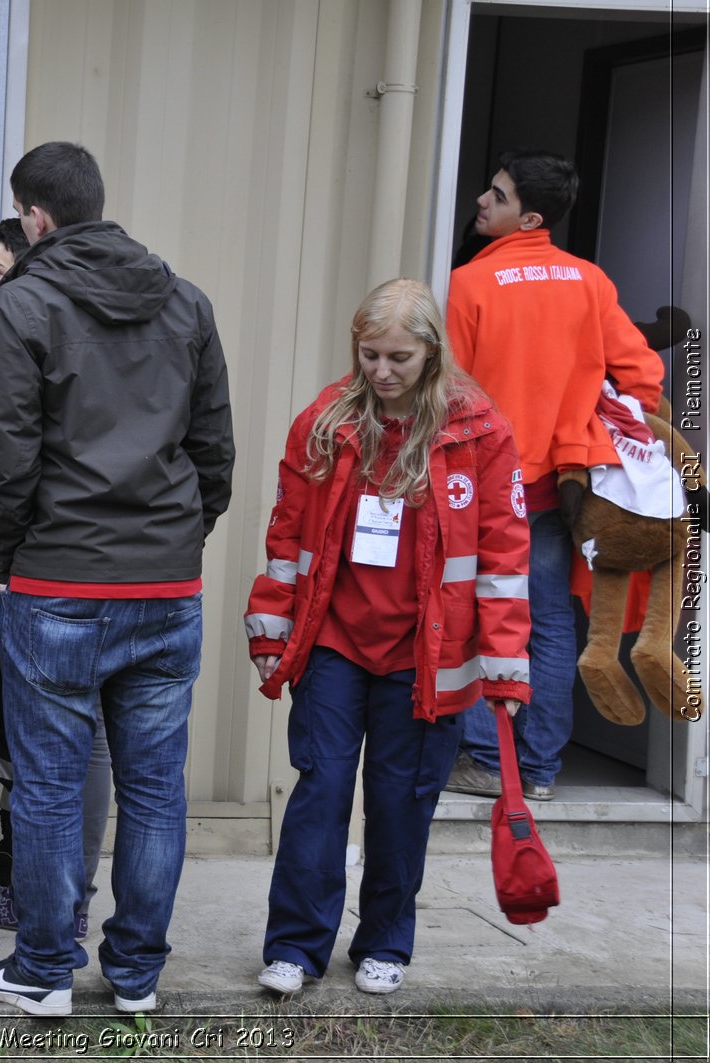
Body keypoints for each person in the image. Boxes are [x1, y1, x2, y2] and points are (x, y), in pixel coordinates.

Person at [0, 142, 235, 1017]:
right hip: (164, 587)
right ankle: (134, 978)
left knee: (50, 785)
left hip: (58, 583)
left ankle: (43, 970)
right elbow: (213, 454)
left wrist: (13, 564)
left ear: (34, 217)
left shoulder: (22, 303)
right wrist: (176, 543)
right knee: (155, 787)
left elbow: (8, 464)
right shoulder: (187, 303)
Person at [245, 278, 532, 998]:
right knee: (322, 789)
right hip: (335, 642)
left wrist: (504, 663)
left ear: (432, 352)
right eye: (369, 354)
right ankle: (296, 946)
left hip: (428, 656)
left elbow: (503, 555)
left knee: (403, 800)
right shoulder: (326, 421)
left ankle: (384, 942)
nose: (381, 371)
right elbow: (286, 536)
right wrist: (272, 624)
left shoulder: (480, 432)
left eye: (399, 357)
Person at [444, 150, 664, 801]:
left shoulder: (469, 286)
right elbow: (643, 377)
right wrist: (589, 426)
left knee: (483, 610)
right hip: (560, 485)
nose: (483, 200)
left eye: (498, 194)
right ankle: (536, 768)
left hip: (485, 481)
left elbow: (448, 393)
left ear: (529, 215)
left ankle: (487, 758)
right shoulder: (589, 281)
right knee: (548, 619)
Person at [0, 220, 113, 946]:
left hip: (25, 573)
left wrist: (5, 562)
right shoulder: (2, 340)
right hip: (42, 568)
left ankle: (42, 889)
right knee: (27, 730)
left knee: (49, 736)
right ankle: (32, 868)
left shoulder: (13, 343)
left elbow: (6, 464)